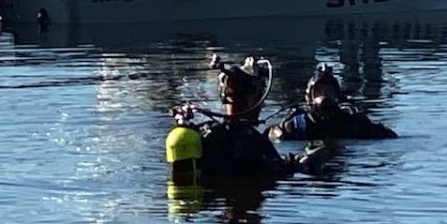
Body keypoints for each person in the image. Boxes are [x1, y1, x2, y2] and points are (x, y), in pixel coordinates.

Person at [167, 55, 325, 182]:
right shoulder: (250, 139)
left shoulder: (206, 133)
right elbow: (279, 170)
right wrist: (306, 159)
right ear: (252, 98)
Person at [269, 64, 398, 141]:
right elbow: (271, 135)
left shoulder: (352, 122)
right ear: (309, 97)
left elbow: (388, 135)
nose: (324, 97)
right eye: (319, 92)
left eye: (329, 92)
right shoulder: (297, 125)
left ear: (338, 96)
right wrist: (279, 131)